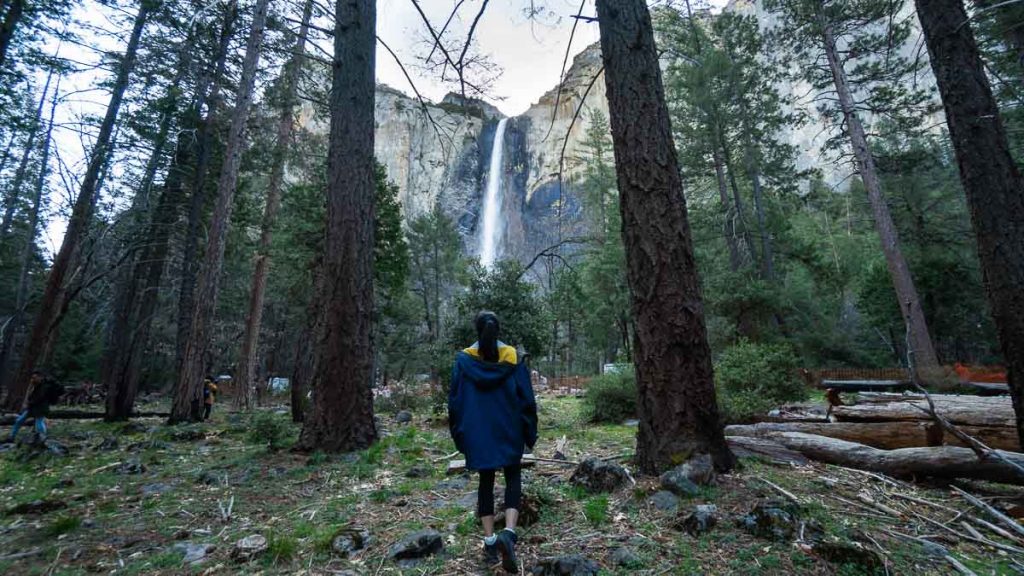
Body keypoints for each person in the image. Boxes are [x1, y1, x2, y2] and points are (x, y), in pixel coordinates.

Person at [448, 311, 538, 573]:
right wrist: (529, 433)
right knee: (513, 477)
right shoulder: (513, 358)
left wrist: (460, 435)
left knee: (485, 482)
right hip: (508, 427)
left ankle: (489, 543)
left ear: (477, 331)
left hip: (479, 431)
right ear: (498, 331)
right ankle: (508, 533)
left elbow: (454, 402)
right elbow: (527, 399)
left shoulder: (464, 361)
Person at [8, 371, 63, 443]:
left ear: (40, 377)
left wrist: (30, 403)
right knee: (19, 420)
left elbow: (40, 398)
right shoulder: (36, 385)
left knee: (39, 423)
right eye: (32, 378)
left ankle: (43, 439)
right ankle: (11, 437)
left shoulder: (45, 386)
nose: (32, 380)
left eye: (34, 378)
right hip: (32, 408)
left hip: (40, 408)